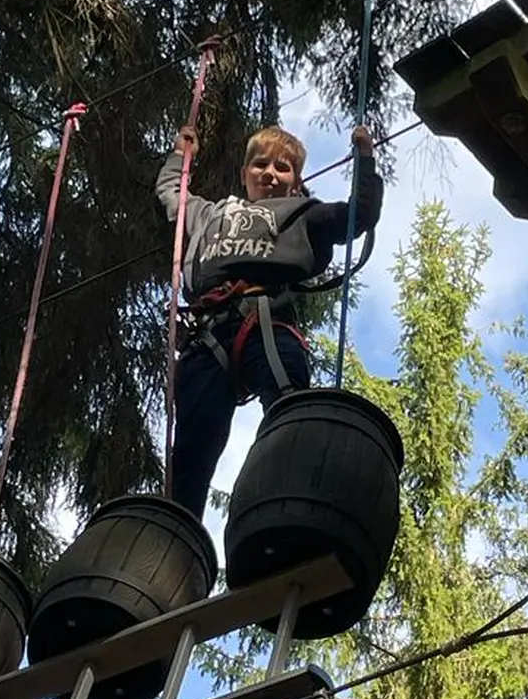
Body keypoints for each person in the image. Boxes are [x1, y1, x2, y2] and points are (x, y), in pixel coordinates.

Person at [156, 122, 382, 520]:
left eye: (283, 168)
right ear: (244, 174)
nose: (270, 174)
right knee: (191, 448)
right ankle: (175, 535)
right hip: (207, 335)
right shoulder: (209, 215)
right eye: (260, 165)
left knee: (289, 403)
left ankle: (294, 499)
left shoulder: (302, 215)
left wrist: (364, 157)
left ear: (296, 182)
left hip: (266, 318)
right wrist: (180, 155)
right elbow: (171, 194)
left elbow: (359, 215)